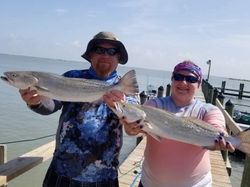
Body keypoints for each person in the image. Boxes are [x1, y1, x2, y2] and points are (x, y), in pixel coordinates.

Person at [19, 31, 139, 187]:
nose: (105, 55)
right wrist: (35, 102)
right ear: (90, 55)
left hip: (105, 176)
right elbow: (50, 106)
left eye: (112, 51)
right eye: (99, 50)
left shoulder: (126, 87)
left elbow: (135, 126)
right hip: (61, 172)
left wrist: (124, 111)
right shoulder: (71, 76)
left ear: (119, 58)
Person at [121, 60, 235, 187]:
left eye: (191, 79)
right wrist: (130, 129)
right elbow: (135, 131)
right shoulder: (154, 105)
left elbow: (217, 127)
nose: (183, 82)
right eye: (178, 77)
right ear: (172, 80)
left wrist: (223, 138)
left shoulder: (209, 110)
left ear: (199, 84)